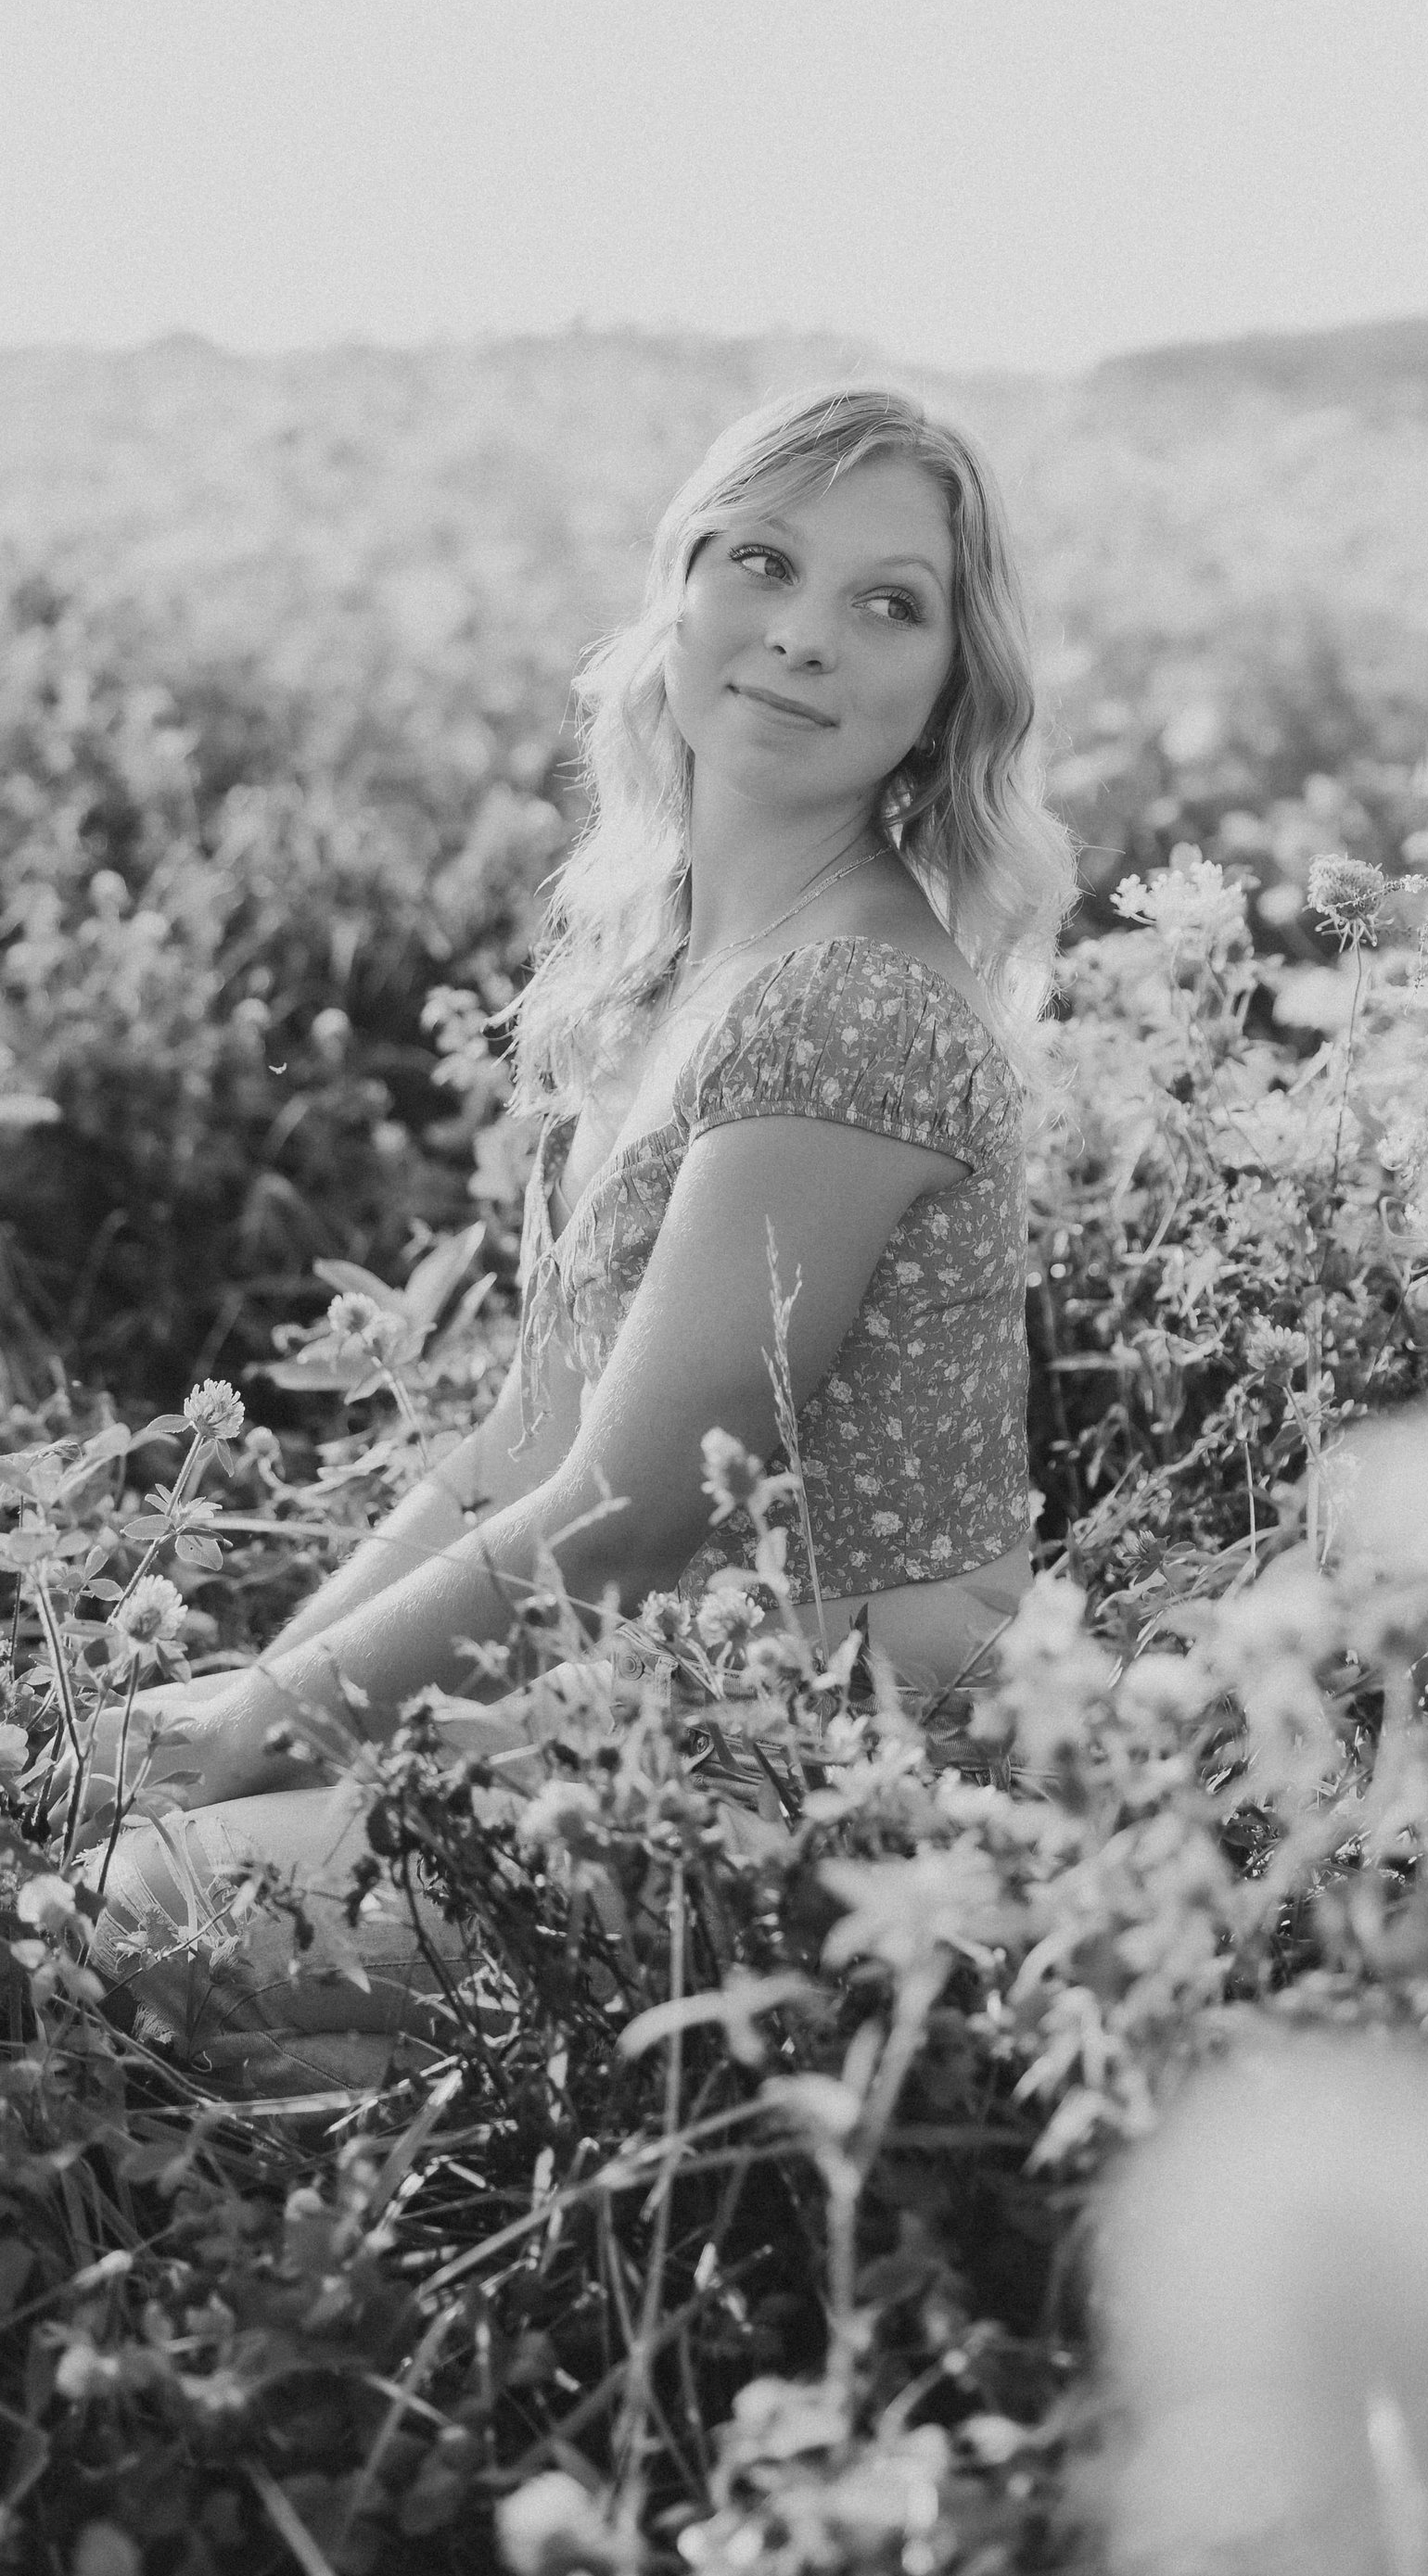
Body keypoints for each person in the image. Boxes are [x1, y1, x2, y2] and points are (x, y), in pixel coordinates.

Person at [91, 382, 1074, 2059]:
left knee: (105, 1912)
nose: (804, 637)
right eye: (762, 562)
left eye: (886, 602)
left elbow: (625, 1516)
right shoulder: (695, 955)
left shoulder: (850, 1008)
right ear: (681, 591)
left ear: (947, 688)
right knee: (80, 1776)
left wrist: (261, 1736)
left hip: (831, 1781)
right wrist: (260, 1704)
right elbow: (517, 1447)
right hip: (659, 1706)